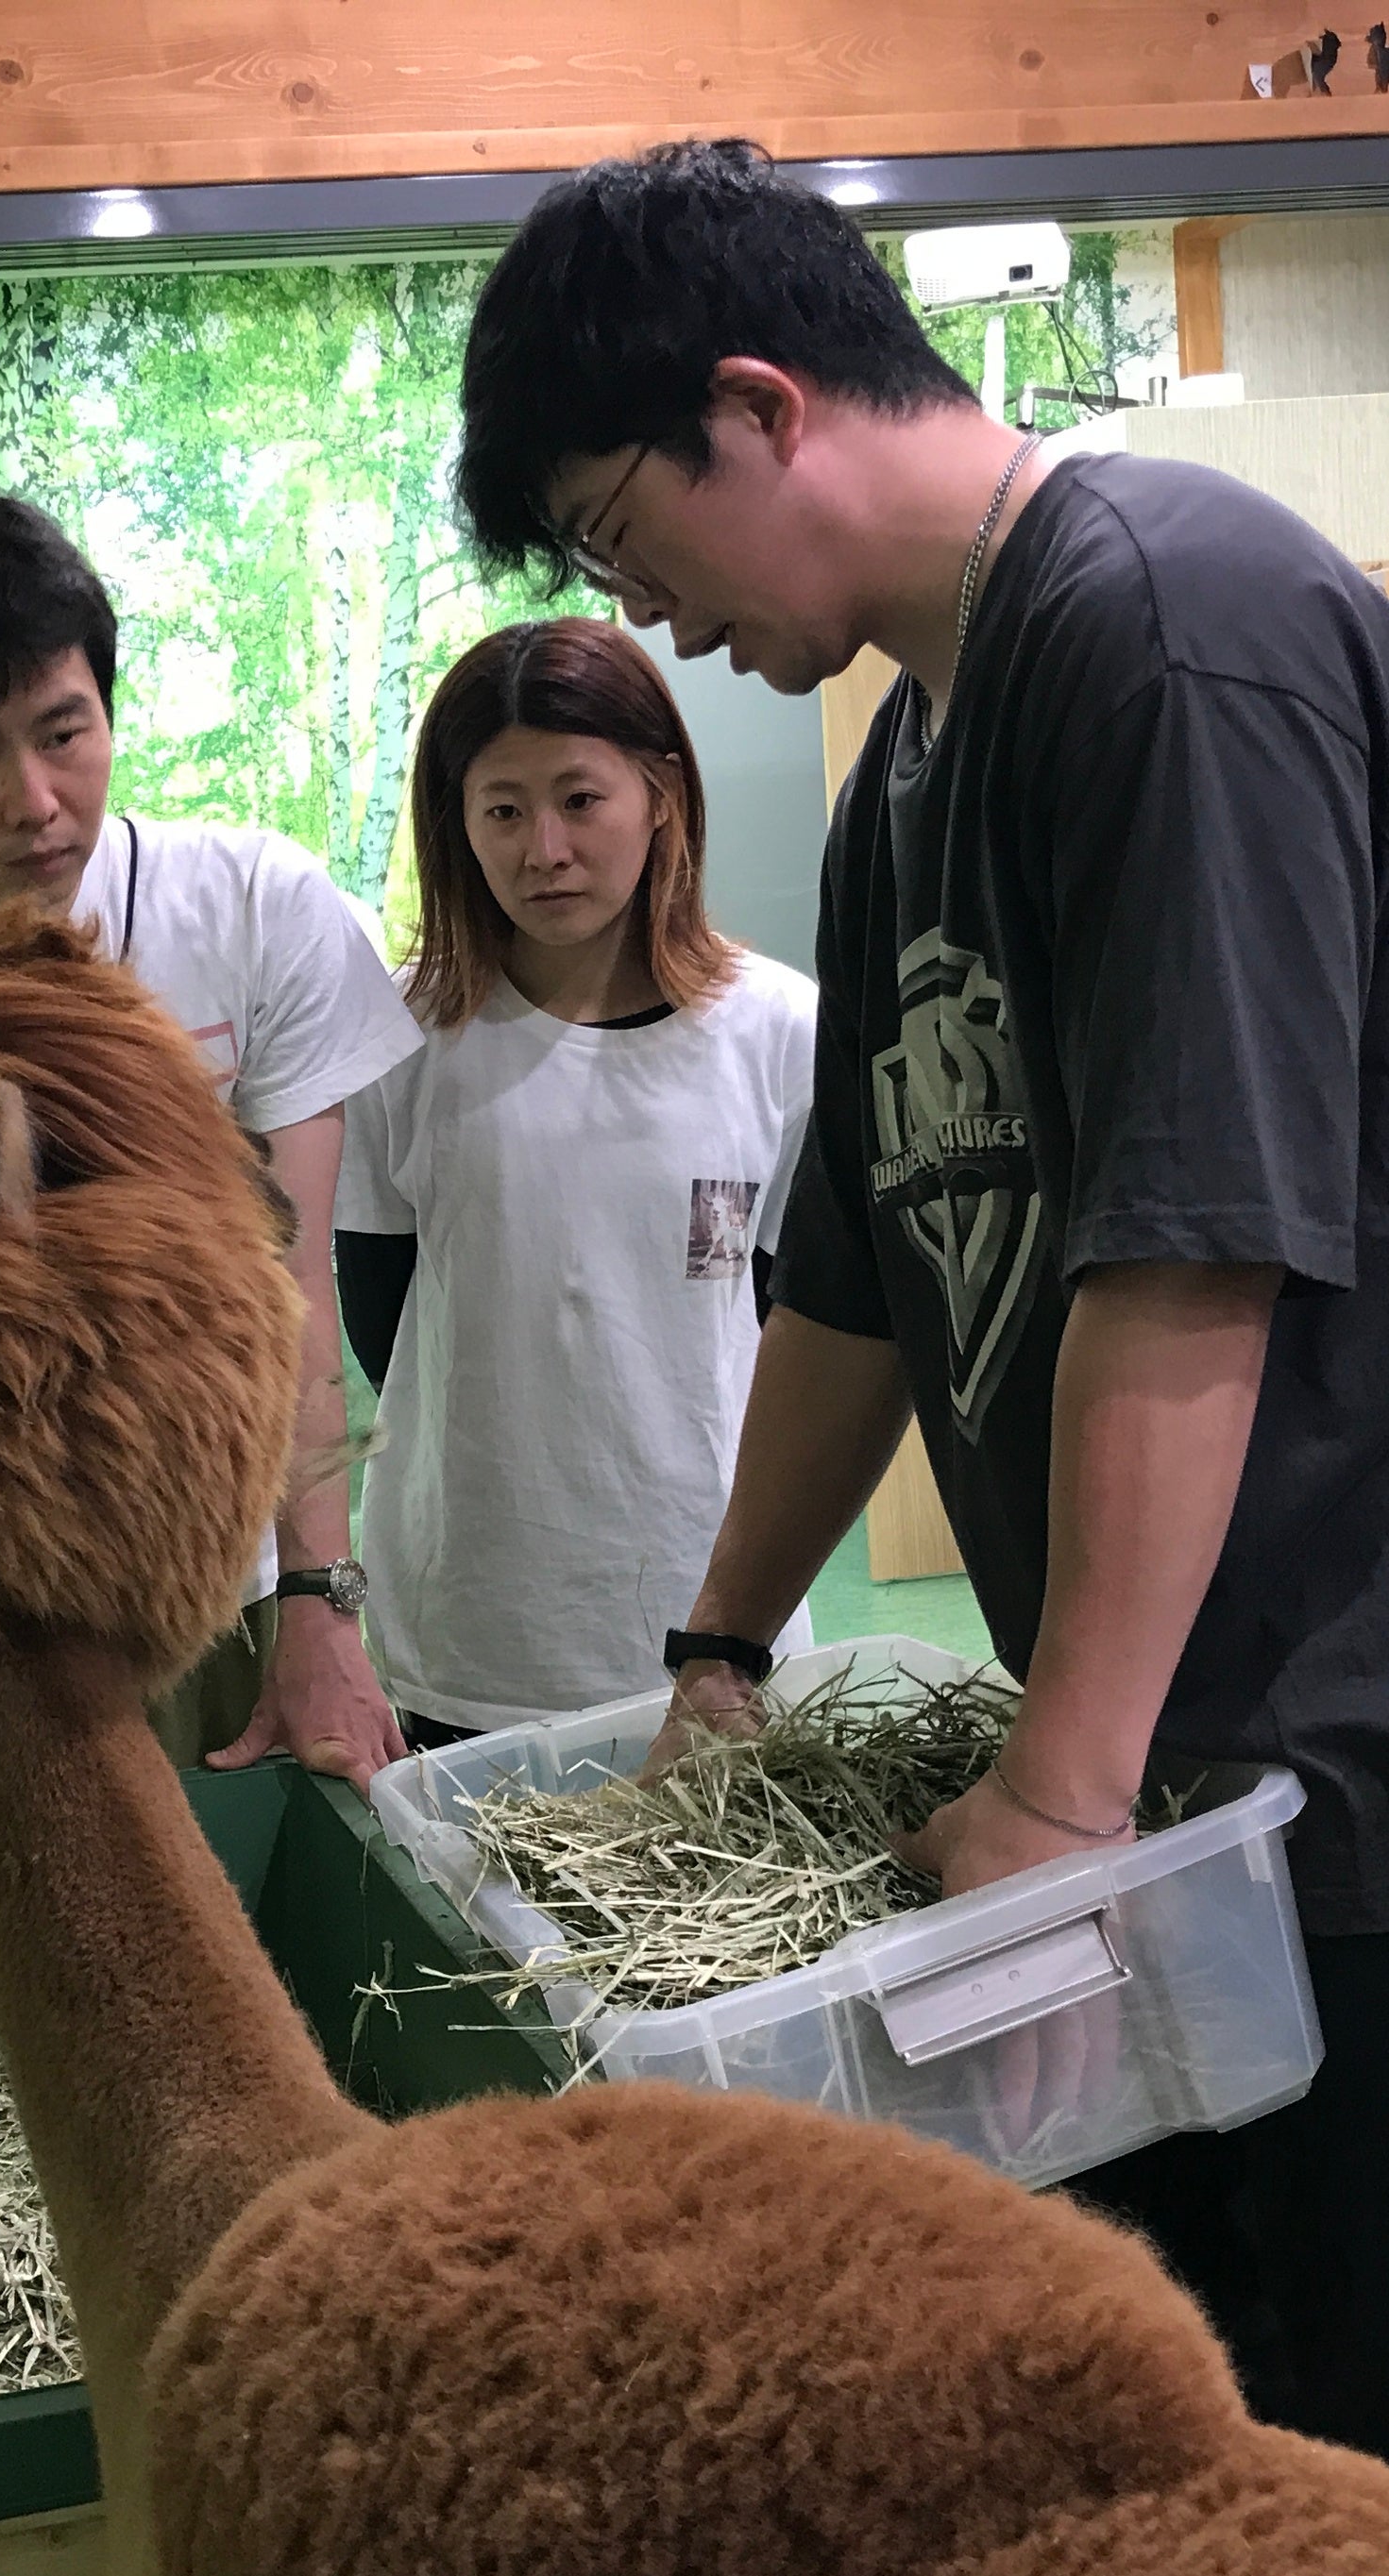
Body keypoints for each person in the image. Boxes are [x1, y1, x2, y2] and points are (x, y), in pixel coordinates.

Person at [453, 140, 1389, 2514]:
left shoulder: (1165, 628)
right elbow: (859, 1265)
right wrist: (721, 1640)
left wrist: (1055, 1788)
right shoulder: (910, 763)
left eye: (634, 535)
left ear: (763, 406)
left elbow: (1194, 1247)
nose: (648, 606)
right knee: (1183, 2392)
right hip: (1184, 1759)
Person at [0, 490, 421, 1932]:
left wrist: (322, 1604)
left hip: (234, 1571)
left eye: (65, 730)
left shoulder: (257, 913)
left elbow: (294, 1284)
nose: (35, 798)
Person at [335, 618, 821, 1746]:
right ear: (458, 822)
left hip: (718, 1619)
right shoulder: (401, 1039)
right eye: (503, 809)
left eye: (579, 799)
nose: (543, 848)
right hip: (472, 1631)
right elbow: (381, 1314)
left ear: (661, 794)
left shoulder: (779, 1032)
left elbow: (797, 1322)